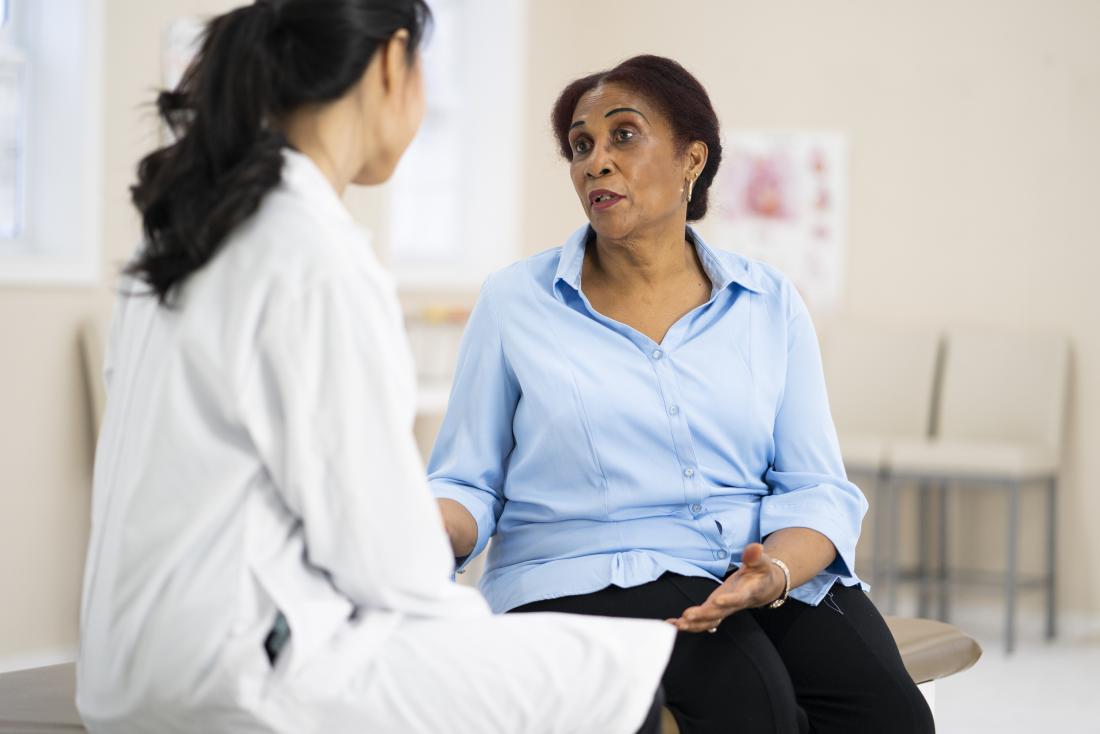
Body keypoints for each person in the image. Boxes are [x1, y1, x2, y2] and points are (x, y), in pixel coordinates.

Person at [76, 4, 674, 733]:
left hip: (126, 666)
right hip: (239, 674)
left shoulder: (180, 239)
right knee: (619, 680)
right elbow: (383, 563)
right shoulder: (314, 255)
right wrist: (474, 619)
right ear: (393, 61)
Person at [430, 55, 935, 734]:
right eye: (581, 146)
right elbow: (467, 480)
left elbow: (816, 484)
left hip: (751, 564)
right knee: (755, 707)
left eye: (624, 135)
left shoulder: (768, 301)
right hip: (590, 571)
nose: (596, 163)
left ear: (692, 160)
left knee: (891, 714)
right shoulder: (515, 302)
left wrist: (777, 571)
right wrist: (424, 532)